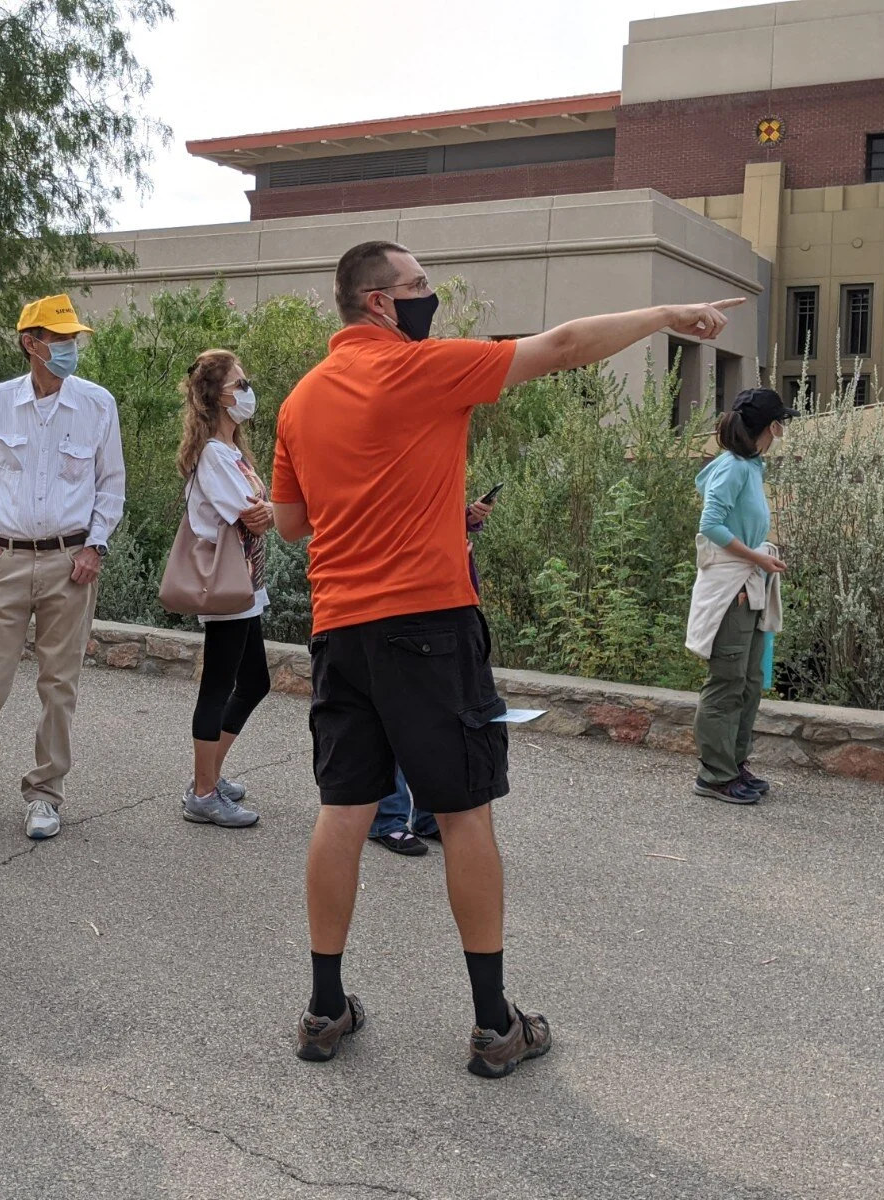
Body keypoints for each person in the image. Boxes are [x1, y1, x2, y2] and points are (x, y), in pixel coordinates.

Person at [272, 238, 741, 1077]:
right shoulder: (419, 369)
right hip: (428, 625)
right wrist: (669, 315)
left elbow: (291, 525)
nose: (429, 297)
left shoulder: (302, 399)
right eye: (419, 286)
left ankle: (322, 1009)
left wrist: (413, 500)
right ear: (380, 302)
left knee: (343, 808)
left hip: (339, 629)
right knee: (463, 814)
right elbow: (562, 346)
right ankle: (495, 1026)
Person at [0, 294, 125, 842]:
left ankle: (45, 794)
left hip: (72, 562)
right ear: (30, 343)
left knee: (58, 685)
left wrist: (95, 546)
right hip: (7, 559)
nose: (69, 348)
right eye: (59, 339)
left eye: (72, 339)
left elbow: (110, 483)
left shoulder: (96, 404)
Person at [371, 494, 496, 856]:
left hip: (446, 603)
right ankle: (388, 819)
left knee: (436, 718)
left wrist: (466, 519)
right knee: (396, 716)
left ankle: (429, 813)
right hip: (402, 602)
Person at [177, 349, 271, 829]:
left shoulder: (232, 451)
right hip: (226, 583)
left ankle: (208, 776)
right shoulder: (214, 453)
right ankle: (203, 792)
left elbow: (259, 509)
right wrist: (268, 509)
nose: (247, 391)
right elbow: (249, 510)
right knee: (219, 684)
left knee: (256, 681)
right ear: (216, 395)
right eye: (240, 384)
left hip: (245, 582)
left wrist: (265, 509)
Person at [685, 387, 791, 806]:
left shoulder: (749, 467)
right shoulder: (733, 468)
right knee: (726, 682)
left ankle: (733, 764)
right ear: (767, 427)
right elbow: (710, 524)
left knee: (748, 682)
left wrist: (759, 564)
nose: (783, 430)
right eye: (780, 423)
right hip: (733, 589)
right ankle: (714, 774)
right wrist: (757, 560)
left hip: (749, 584)